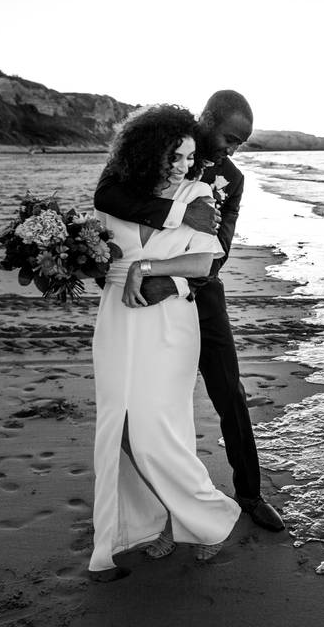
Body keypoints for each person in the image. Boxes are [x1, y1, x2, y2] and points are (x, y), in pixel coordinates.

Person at [93, 90, 285, 532]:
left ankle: (250, 495)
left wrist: (174, 280)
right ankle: (153, 506)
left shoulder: (232, 179)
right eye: (230, 137)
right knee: (141, 405)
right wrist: (179, 214)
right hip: (139, 298)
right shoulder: (153, 149)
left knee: (229, 391)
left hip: (199, 292)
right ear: (208, 118)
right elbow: (109, 196)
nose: (233, 149)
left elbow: (219, 252)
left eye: (241, 143)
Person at [89, 104, 240, 582]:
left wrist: (148, 268)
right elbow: (102, 252)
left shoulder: (200, 194)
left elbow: (201, 265)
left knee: (157, 430)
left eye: (188, 156)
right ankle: (164, 518)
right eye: (174, 155)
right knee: (121, 429)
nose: (182, 165)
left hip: (169, 323)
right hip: (115, 317)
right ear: (148, 151)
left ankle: (208, 518)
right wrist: (79, 260)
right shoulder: (116, 196)